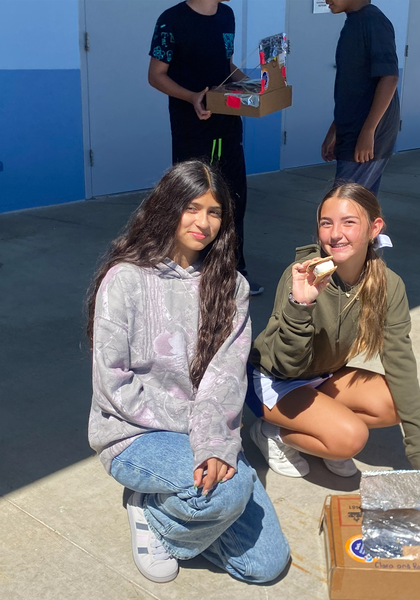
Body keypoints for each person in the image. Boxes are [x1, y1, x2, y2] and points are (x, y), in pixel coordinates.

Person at [86, 161, 289, 584]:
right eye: (193, 207)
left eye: (215, 212)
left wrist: (210, 440)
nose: (204, 222)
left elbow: (227, 376)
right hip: (132, 433)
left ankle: (168, 515)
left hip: (202, 429)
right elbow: (113, 383)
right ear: (168, 207)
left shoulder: (230, 285)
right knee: (231, 490)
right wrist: (199, 432)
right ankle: (148, 507)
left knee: (266, 564)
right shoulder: (125, 279)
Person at [247, 183, 420, 478]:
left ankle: (322, 426)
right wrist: (301, 305)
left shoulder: (389, 284)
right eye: (326, 223)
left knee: (396, 402)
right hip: (274, 379)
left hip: (323, 374)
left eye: (349, 222)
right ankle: (272, 432)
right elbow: (286, 363)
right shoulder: (302, 276)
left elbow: (401, 362)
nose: (335, 234)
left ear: (375, 227)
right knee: (350, 439)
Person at [148, 0, 263, 295]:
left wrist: (251, 86)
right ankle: (192, 270)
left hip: (228, 123)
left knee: (234, 196)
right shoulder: (172, 20)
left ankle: (233, 270)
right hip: (192, 126)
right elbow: (156, 74)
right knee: (195, 198)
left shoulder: (227, 15)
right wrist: (191, 97)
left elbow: (225, 65)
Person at [321, 0, 400, 196]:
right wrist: (335, 129)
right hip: (351, 130)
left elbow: (389, 77)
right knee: (361, 209)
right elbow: (353, 89)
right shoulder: (353, 22)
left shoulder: (372, 20)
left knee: (344, 207)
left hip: (366, 134)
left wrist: (368, 131)